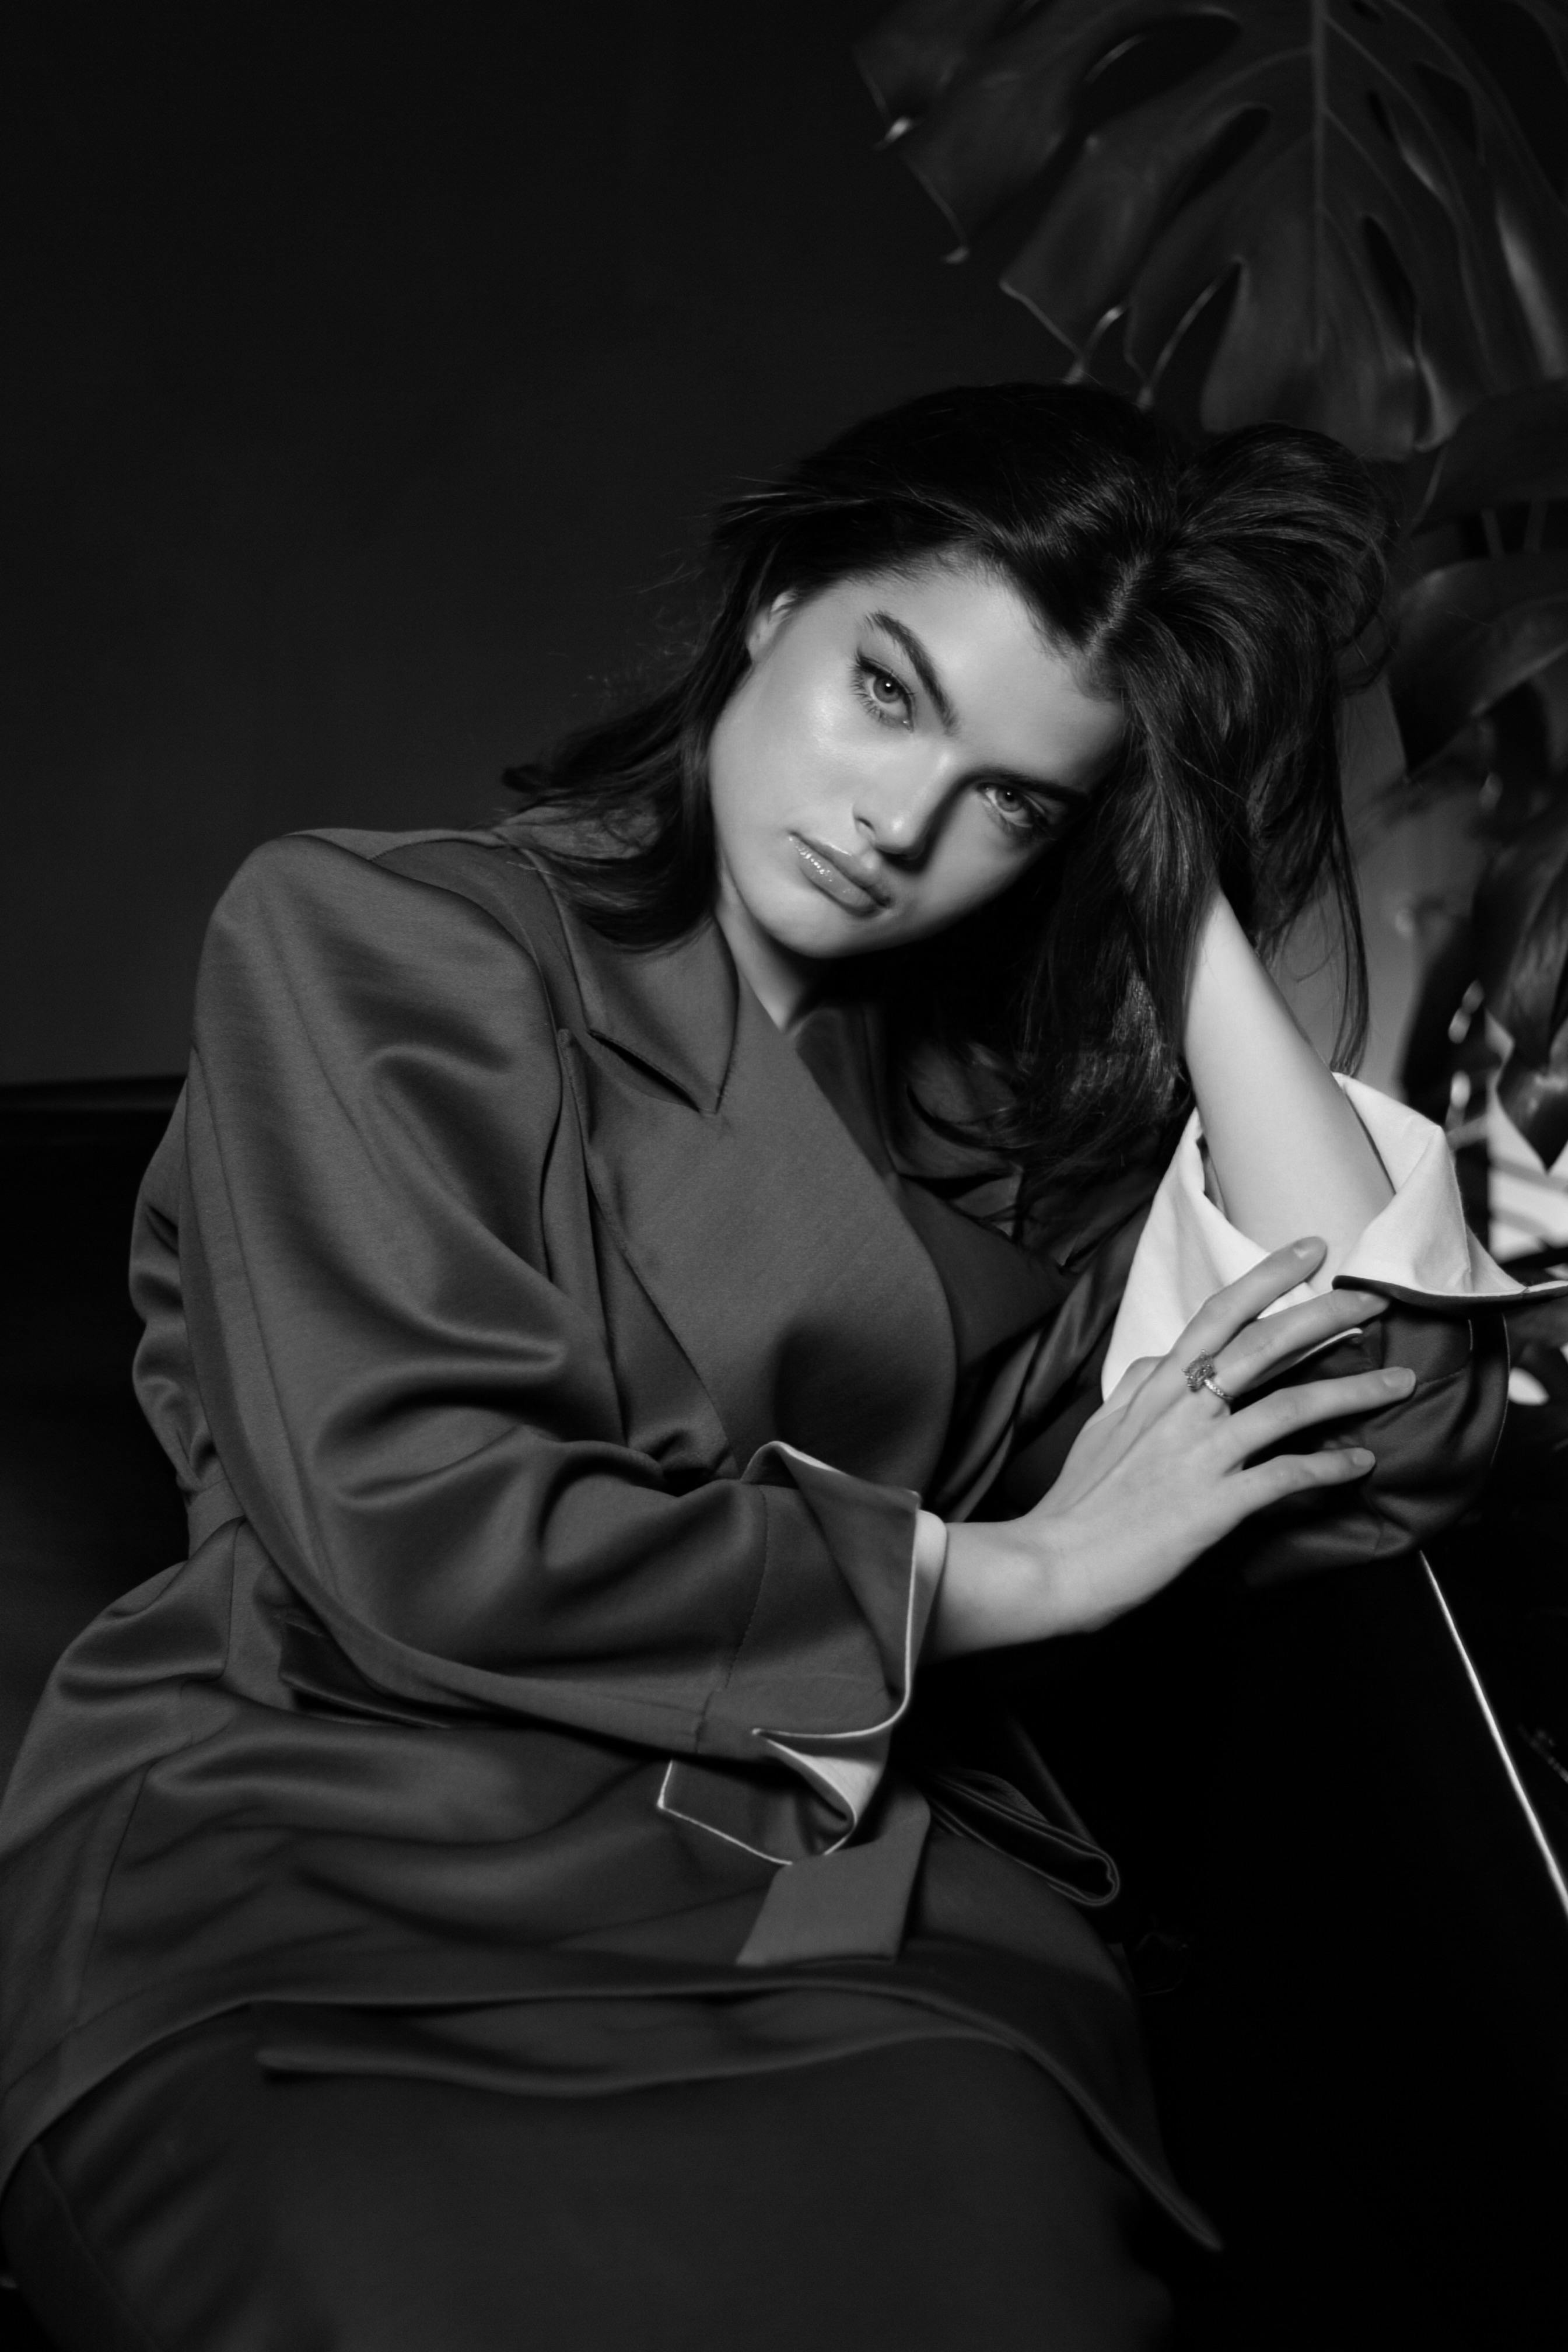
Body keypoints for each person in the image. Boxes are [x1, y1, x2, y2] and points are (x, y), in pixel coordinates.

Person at [0, 384, 1539, 2350]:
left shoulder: (996, 1141)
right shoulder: (377, 941)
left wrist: (1177, 901)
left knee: (1000, 2270)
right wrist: (1022, 1569)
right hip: (323, 1881)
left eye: (1015, 800)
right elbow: (427, 1525)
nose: (902, 826)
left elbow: (1384, 1426)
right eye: (889, 689)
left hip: (832, 1928)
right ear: (776, 600)